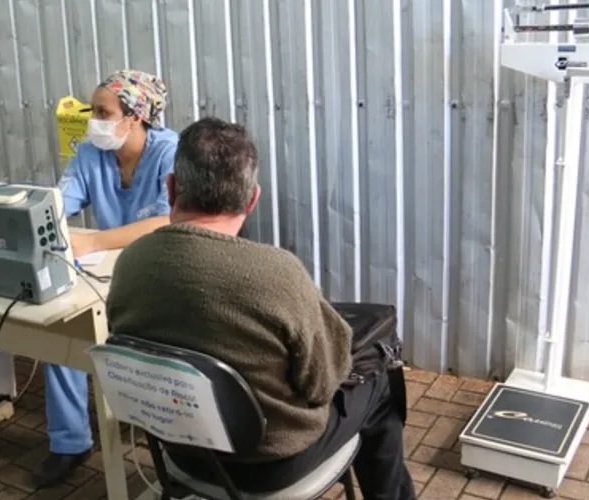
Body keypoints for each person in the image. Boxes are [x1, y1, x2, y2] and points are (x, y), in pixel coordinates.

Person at [106, 117, 416, 499]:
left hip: (182, 455)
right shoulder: (278, 273)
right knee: (380, 377)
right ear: (252, 198)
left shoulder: (130, 264)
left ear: (171, 189)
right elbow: (321, 385)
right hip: (271, 466)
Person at [34, 70, 177, 487]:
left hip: (157, 277)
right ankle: (70, 442)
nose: (92, 119)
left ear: (135, 117)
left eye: (102, 112)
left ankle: (172, 447)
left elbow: (168, 220)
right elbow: (61, 202)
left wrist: (93, 240)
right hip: (106, 277)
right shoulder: (91, 154)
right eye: (92, 110)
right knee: (60, 331)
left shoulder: (170, 153)